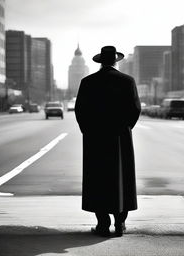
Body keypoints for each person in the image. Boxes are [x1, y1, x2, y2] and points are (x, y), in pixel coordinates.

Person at [75, 46, 141, 237]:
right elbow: (135, 109)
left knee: (98, 179)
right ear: (116, 61)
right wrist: (125, 128)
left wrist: (88, 131)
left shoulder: (88, 82)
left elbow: (80, 110)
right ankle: (120, 224)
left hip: (95, 138)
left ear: (101, 61)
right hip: (120, 137)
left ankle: (103, 224)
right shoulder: (127, 81)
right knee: (122, 178)